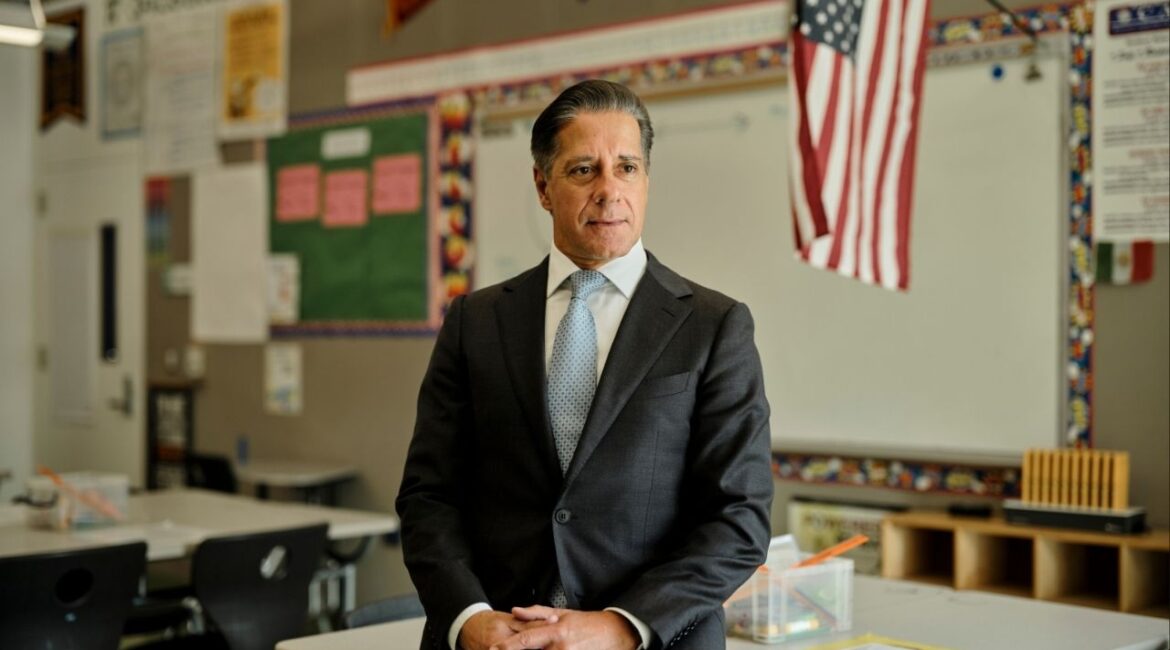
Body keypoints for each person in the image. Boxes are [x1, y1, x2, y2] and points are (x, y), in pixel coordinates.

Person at [397, 79, 773, 650]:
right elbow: (429, 495)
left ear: (646, 180)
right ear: (543, 186)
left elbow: (738, 519)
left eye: (627, 167)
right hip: (495, 641)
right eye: (582, 170)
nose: (609, 190)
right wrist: (469, 617)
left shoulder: (715, 326)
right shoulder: (475, 321)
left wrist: (621, 626)